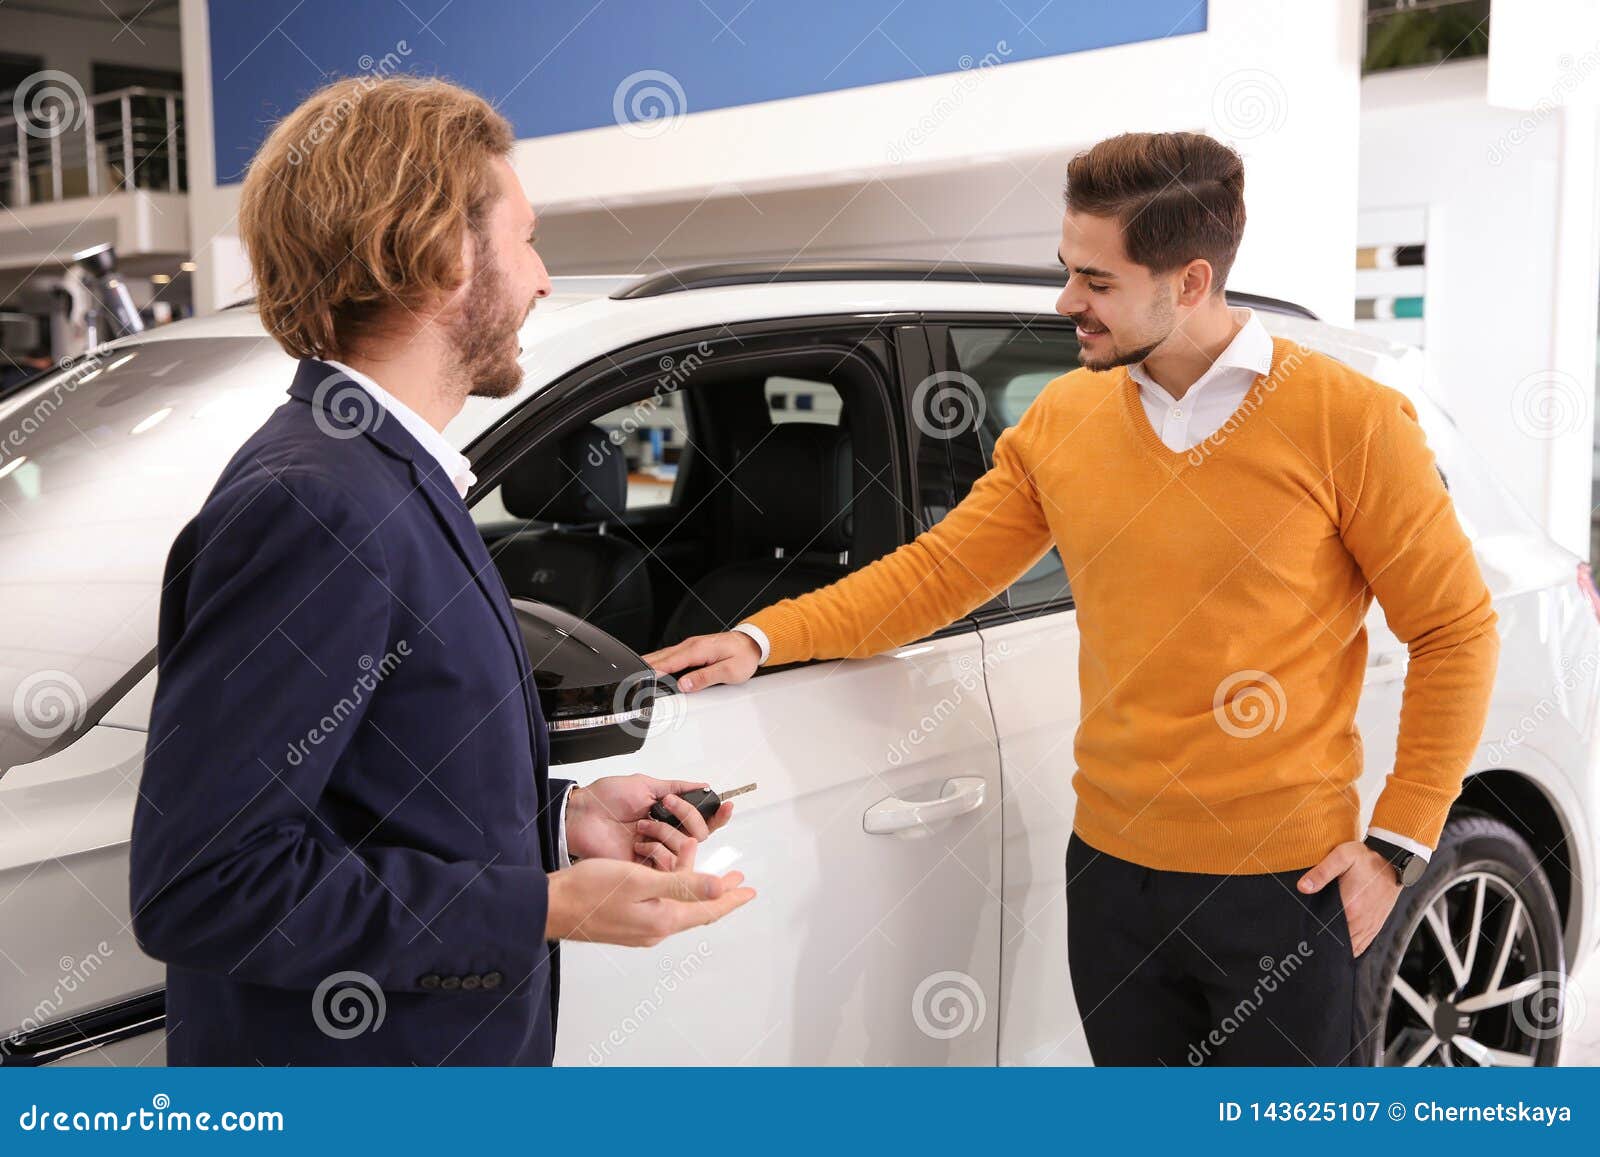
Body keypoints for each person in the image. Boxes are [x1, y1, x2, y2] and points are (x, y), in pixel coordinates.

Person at [646, 131, 1499, 1067]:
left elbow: (1455, 629)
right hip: (1111, 878)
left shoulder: (1350, 419)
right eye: (1067, 269)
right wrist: (765, 637)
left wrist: (1398, 844)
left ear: (1191, 281)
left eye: (1096, 280)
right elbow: (939, 573)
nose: (1066, 302)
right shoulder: (1066, 418)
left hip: (1282, 885)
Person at [128, 76, 755, 1067]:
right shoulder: (319, 504)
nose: (543, 278)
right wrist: (542, 906)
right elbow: (207, 885)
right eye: (527, 239)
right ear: (434, 253)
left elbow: (374, 786)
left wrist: (562, 818)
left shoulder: (377, 474)